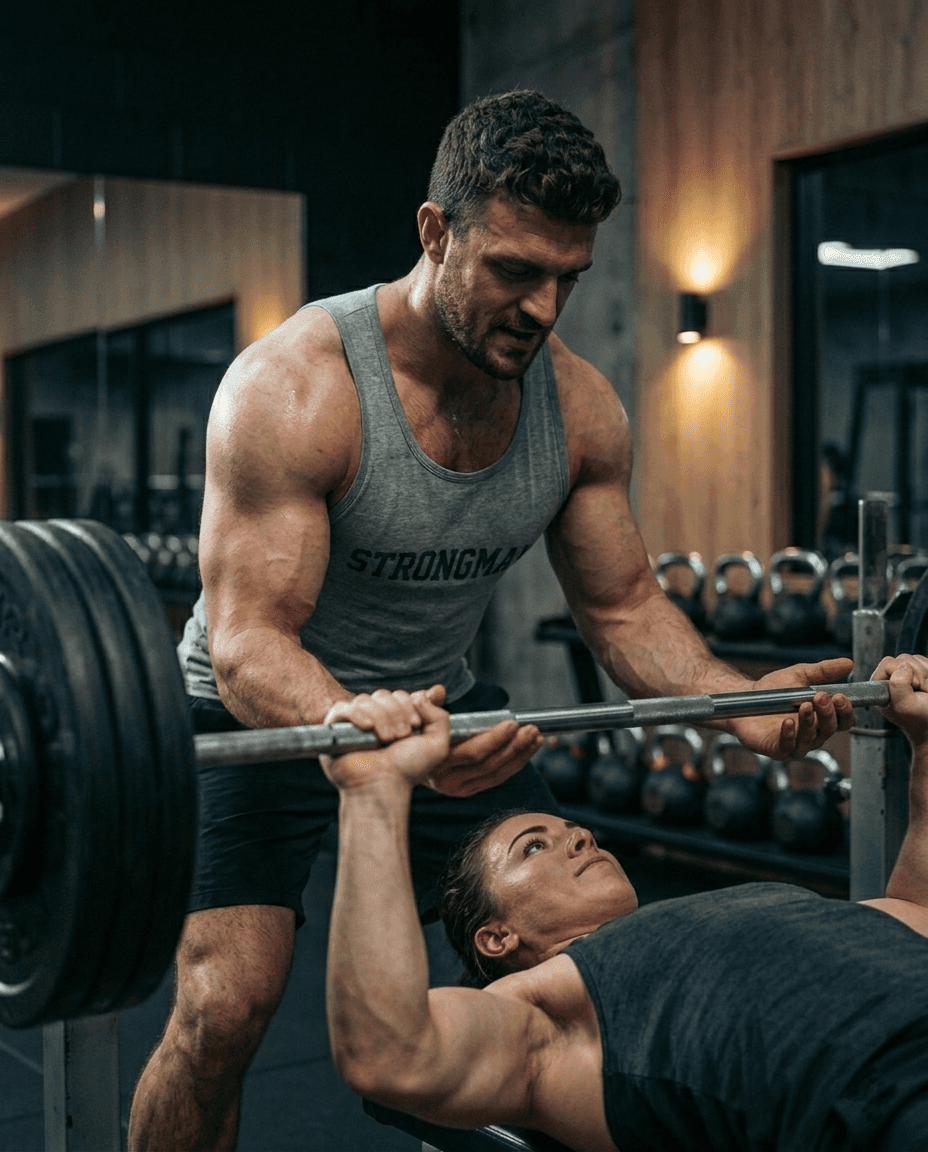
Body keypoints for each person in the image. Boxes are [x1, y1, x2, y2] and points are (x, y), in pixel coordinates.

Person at [128, 90, 852, 1150]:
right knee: (224, 1009)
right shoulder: (296, 388)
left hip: (442, 716)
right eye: (515, 270)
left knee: (591, 979)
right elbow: (247, 645)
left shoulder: (581, 409)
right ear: (436, 232)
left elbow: (622, 607)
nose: (544, 307)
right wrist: (371, 739)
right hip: (260, 716)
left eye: (568, 277)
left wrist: (737, 708)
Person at [320, 655, 928, 1152]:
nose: (579, 836)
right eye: (535, 847)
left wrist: (924, 743)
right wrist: (374, 793)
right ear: (497, 937)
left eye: (570, 830)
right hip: (886, 1097)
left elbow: (912, 911)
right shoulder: (548, 1014)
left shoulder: (720, 916)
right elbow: (392, 1056)